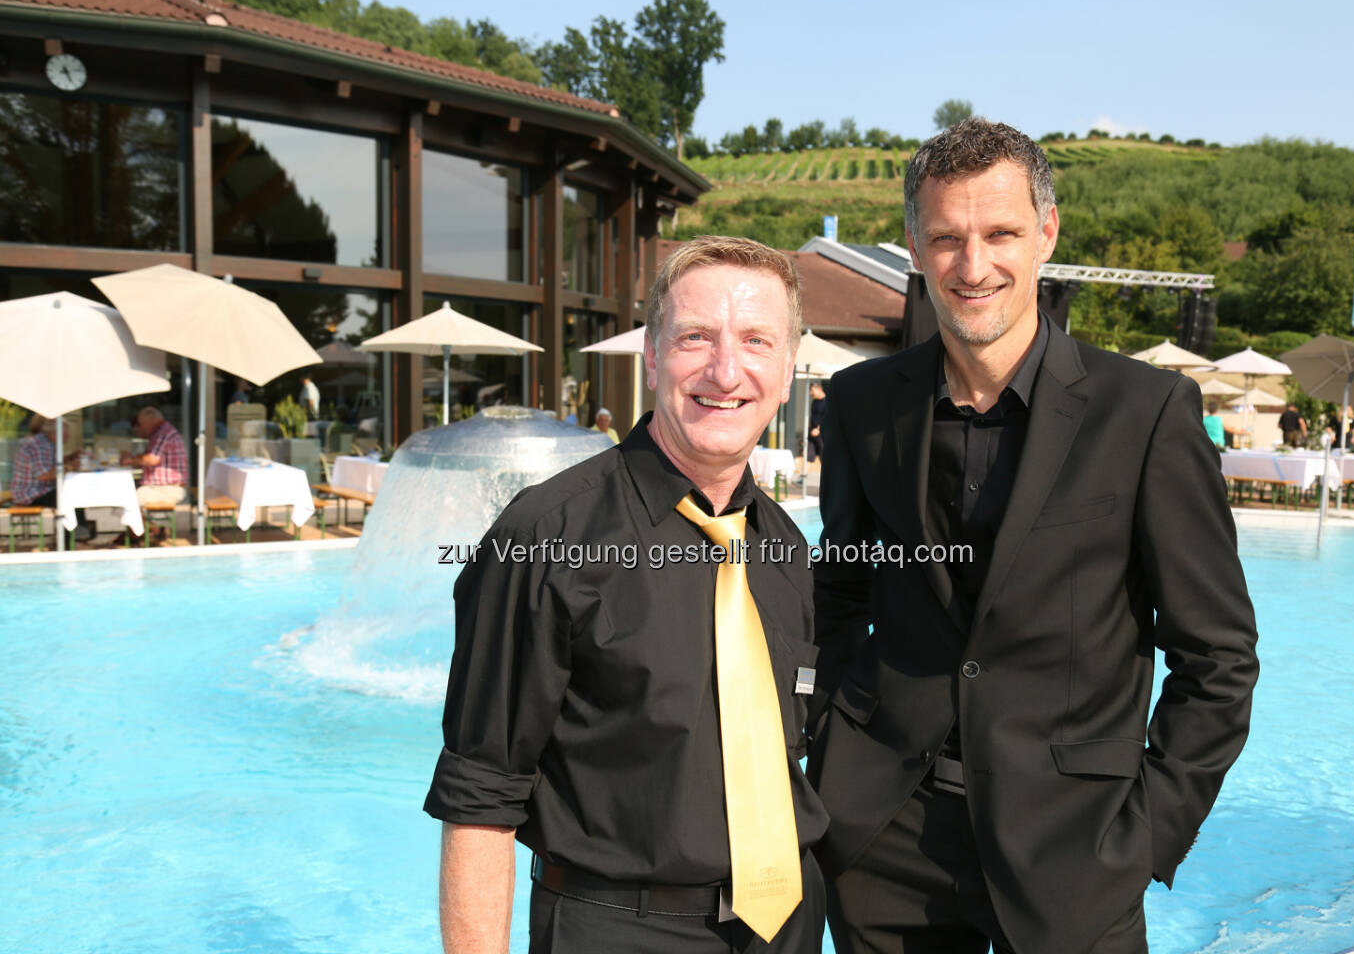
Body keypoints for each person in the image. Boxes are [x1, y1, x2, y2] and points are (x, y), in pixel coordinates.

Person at [808, 119, 1259, 954]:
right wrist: (827, 751)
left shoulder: (1146, 414)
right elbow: (837, 593)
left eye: (1000, 233)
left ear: (1046, 232)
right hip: (884, 843)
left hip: (1074, 854)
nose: (973, 266)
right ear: (913, 244)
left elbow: (1218, 657)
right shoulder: (864, 404)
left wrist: (1148, 835)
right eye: (946, 238)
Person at [425, 236, 828, 954]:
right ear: (652, 353)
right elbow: (480, 796)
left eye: (757, 340)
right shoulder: (545, 534)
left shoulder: (785, 551)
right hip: (617, 931)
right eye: (696, 337)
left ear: (789, 366)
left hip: (787, 926)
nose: (726, 370)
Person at [120, 407, 189, 542]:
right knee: (125, 495)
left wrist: (131, 460)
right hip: (161, 486)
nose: (138, 428)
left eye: (140, 424)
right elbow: (150, 459)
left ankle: (141, 532)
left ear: (150, 420)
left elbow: (152, 459)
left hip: (168, 489)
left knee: (126, 499)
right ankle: (148, 529)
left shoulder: (163, 433)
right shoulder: (161, 432)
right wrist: (135, 459)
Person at [807, 382, 827, 463]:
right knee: (809, 457)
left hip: (822, 434)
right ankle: (804, 475)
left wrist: (818, 430)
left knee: (823, 457)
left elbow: (826, 418)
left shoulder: (828, 401)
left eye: (812, 390)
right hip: (812, 432)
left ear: (819, 389)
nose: (810, 393)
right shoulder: (815, 402)